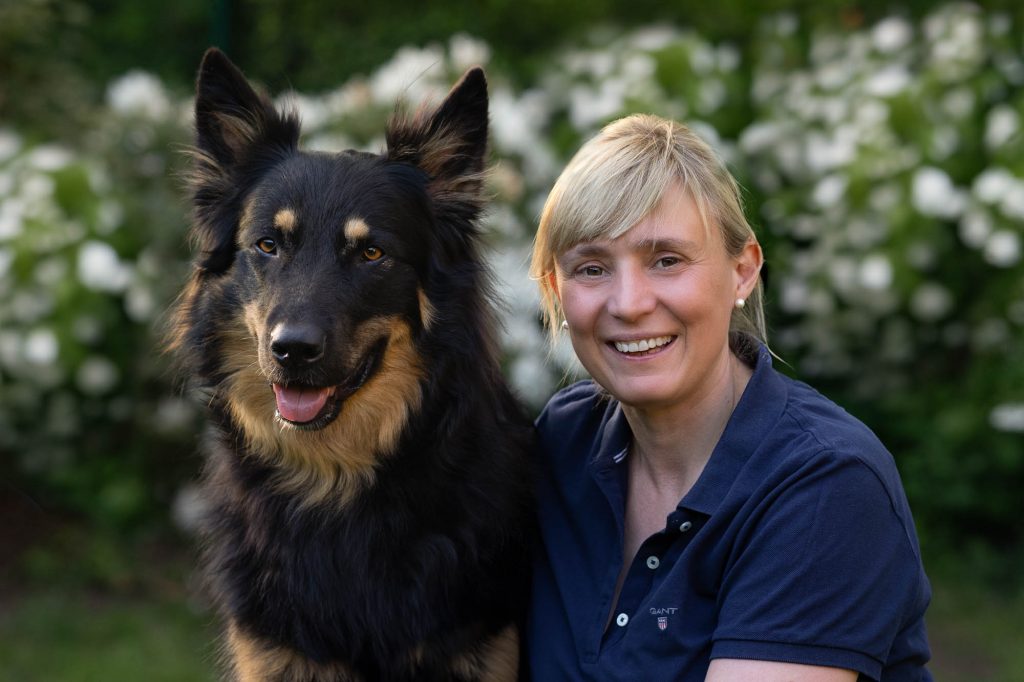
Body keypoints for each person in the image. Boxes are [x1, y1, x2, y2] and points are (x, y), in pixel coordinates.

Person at [525, 114, 932, 681]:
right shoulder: (560, 443)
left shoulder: (826, 485)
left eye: (666, 260)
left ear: (742, 271)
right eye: (591, 268)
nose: (629, 302)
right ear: (555, 292)